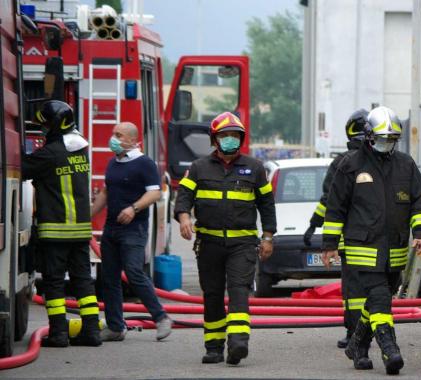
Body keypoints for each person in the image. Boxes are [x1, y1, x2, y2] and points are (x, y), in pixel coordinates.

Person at [322, 106, 421, 375]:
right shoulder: (350, 165)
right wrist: (329, 245)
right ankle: (390, 349)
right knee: (380, 297)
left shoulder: (406, 165)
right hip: (362, 248)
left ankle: (357, 346)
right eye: (382, 139)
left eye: (391, 140)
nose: (386, 145)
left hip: (393, 250)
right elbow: (335, 208)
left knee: (376, 302)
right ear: (369, 137)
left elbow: (420, 200)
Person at [174, 112, 276, 365]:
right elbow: (183, 198)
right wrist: (184, 217)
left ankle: (238, 342)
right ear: (214, 139)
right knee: (212, 294)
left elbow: (267, 205)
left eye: (234, 135)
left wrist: (268, 237)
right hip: (209, 244)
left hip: (242, 244)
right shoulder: (198, 168)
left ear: (240, 138)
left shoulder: (254, 168)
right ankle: (214, 346)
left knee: (239, 290)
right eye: (224, 135)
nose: (230, 139)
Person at [22, 100, 102, 347]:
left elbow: (20, 169)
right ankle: (91, 332)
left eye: (45, 125)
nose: (43, 129)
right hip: (79, 231)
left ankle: (58, 334)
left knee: (54, 283)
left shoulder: (51, 153)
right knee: (82, 281)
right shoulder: (80, 148)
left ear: (55, 125)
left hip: (56, 230)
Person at [91, 122, 172, 342]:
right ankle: (116, 327)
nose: (113, 139)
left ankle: (161, 317)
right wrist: (88, 215)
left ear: (132, 139)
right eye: (113, 134)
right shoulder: (113, 163)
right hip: (111, 229)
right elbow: (106, 193)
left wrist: (133, 208)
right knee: (109, 278)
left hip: (133, 230)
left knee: (134, 273)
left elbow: (154, 194)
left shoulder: (144, 164)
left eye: (119, 135)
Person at [303, 109, 369, 349]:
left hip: (350, 240)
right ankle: (364, 331)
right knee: (372, 290)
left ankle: (355, 333)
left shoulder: (341, 162)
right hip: (375, 240)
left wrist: (313, 226)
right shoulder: (384, 160)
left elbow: (329, 201)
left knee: (352, 291)